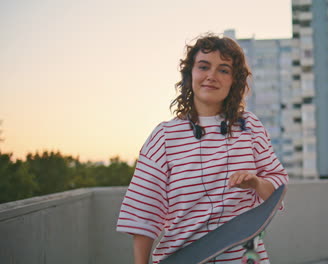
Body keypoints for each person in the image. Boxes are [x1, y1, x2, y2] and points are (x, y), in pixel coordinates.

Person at [116, 33, 289, 264]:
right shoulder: (164, 137)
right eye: (203, 66)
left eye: (223, 70)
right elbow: (144, 215)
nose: (211, 76)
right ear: (190, 74)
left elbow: (277, 190)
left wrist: (257, 183)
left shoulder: (250, 127)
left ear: (234, 80)